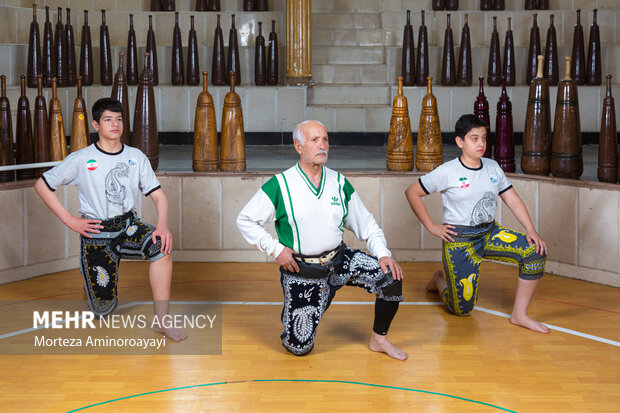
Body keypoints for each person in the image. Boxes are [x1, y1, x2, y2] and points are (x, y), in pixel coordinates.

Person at [237, 120, 407, 360]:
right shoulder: (281, 184)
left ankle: (379, 339)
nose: (322, 145)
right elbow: (244, 219)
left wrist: (383, 253)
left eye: (325, 139)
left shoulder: (338, 182)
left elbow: (367, 224)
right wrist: (276, 250)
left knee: (390, 276)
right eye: (314, 140)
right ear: (298, 146)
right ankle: (309, 303)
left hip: (340, 261)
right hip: (303, 270)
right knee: (299, 348)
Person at [34, 98, 186, 341]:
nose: (115, 124)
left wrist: (163, 225)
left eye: (119, 119)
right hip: (96, 235)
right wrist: (70, 220)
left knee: (161, 248)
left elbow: (159, 197)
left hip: (128, 227)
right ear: (95, 124)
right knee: (101, 310)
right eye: (108, 119)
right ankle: (90, 279)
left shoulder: (136, 157)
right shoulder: (81, 158)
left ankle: (162, 320)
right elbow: (41, 185)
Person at [405, 114, 548, 333]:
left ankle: (519, 315)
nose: (481, 143)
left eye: (483, 138)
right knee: (461, 310)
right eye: (474, 138)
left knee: (534, 252)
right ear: (460, 142)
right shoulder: (447, 171)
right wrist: (432, 227)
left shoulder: (492, 167)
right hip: (460, 240)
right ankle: (439, 280)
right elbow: (412, 192)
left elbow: (512, 198)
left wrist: (531, 230)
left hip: (489, 233)